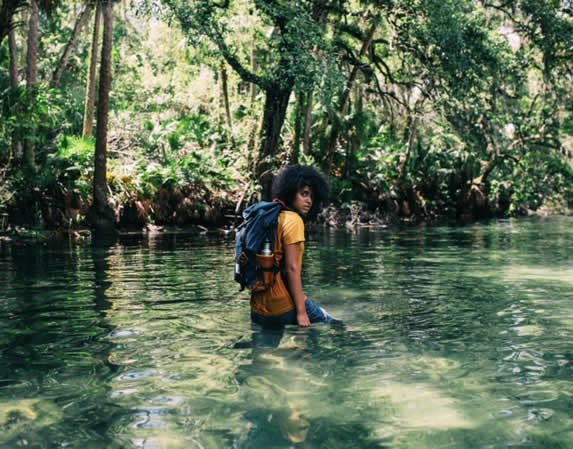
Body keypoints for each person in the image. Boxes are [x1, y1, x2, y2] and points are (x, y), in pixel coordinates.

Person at [250, 164, 339, 328]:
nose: (309, 200)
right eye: (304, 194)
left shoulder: (272, 217)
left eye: (311, 196)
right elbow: (291, 268)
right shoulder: (294, 220)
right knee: (336, 327)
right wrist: (301, 312)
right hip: (281, 306)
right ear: (290, 193)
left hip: (258, 309)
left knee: (265, 349)